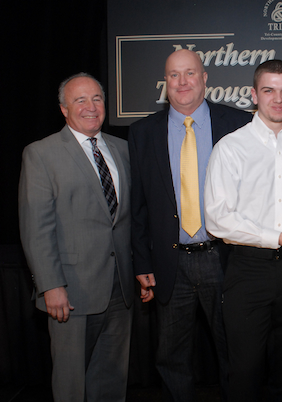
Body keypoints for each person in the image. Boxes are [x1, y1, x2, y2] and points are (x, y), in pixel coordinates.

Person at [128, 49, 252, 401]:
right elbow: (138, 206)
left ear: (205, 78)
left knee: (235, 352)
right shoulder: (142, 133)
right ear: (165, 82)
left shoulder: (239, 123)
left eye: (190, 73)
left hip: (225, 258)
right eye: (173, 75)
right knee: (171, 358)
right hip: (171, 263)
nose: (182, 82)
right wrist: (142, 263)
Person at [204, 59, 282, 402]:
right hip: (248, 271)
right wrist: (276, 238)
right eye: (269, 90)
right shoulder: (230, 148)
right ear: (254, 95)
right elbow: (217, 220)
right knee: (244, 373)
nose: (278, 99)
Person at [18, 73, 134, 402]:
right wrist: (50, 284)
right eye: (80, 100)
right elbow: (36, 226)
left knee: (112, 379)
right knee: (71, 385)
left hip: (119, 289)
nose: (90, 106)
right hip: (70, 291)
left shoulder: (122, 150)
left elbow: (126, 220)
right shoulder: (41, 154)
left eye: (96, 98)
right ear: (63, 109)